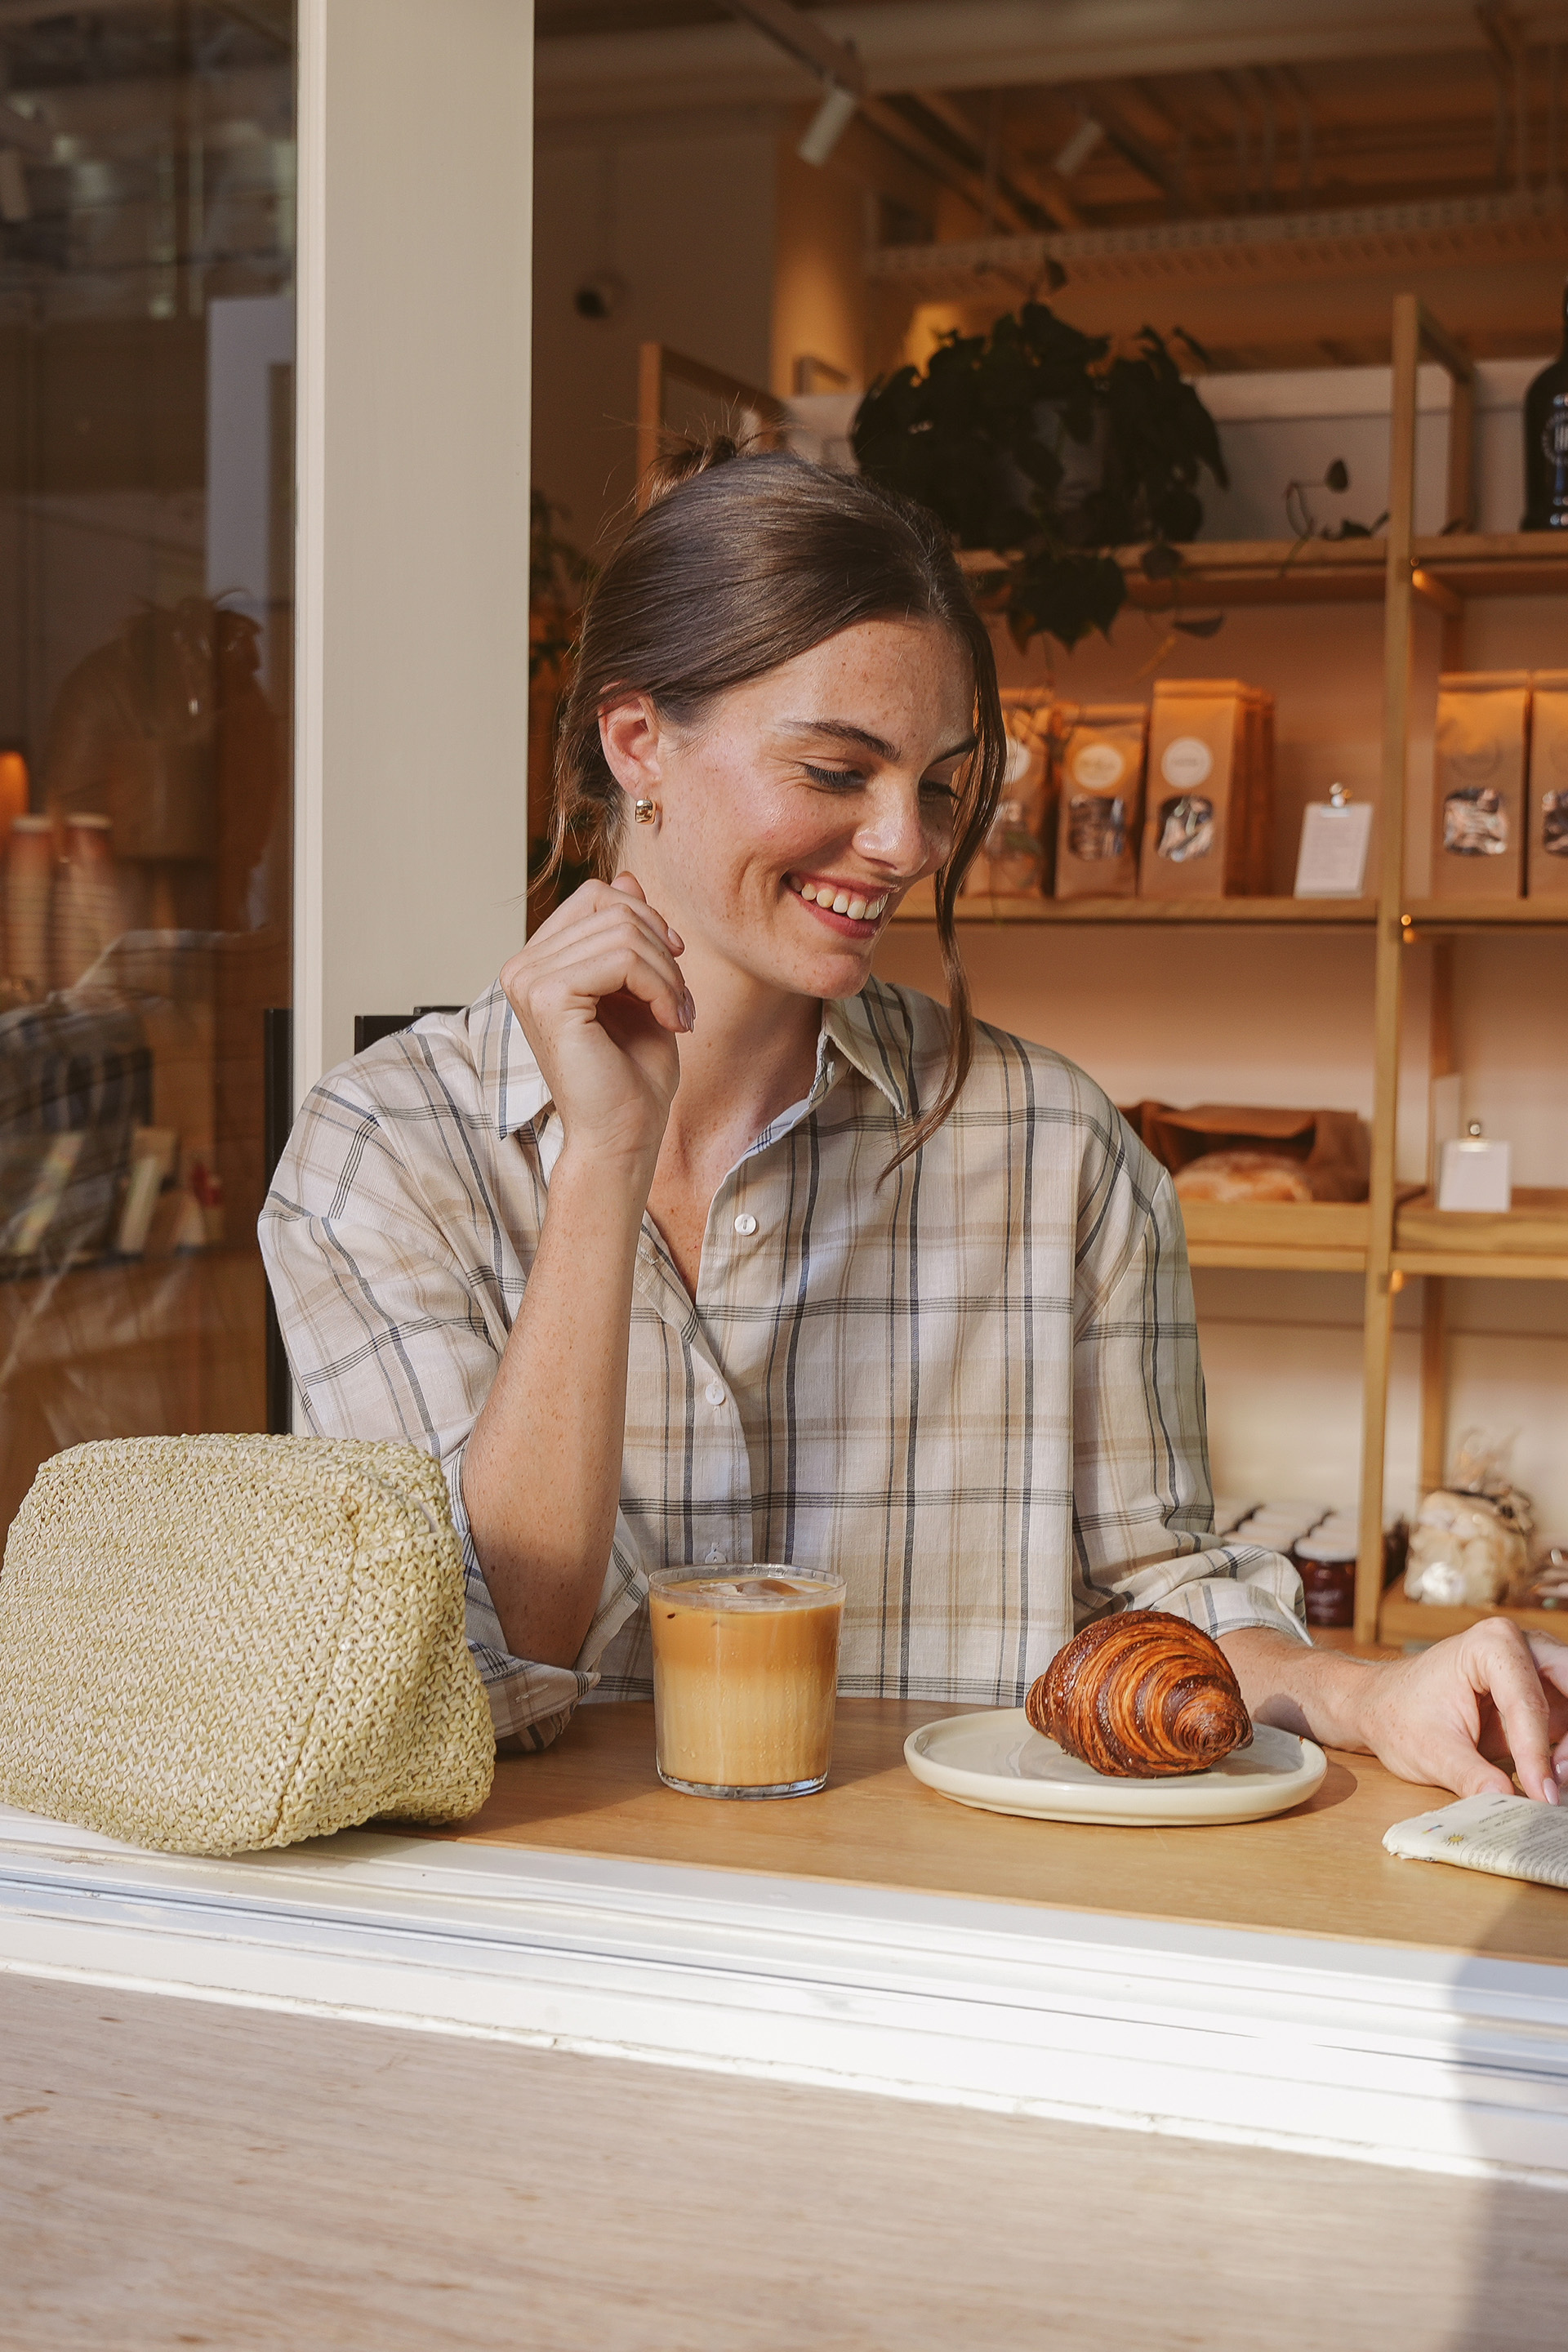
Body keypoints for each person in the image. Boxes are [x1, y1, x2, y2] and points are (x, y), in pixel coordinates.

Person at [261, 443, 1568, 1801]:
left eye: (940, 783)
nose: (908, 843)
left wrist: (1377, 1693)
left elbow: (1164, 1593)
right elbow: (483, 1656)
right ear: (637, 740)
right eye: (838, 771)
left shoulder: (1059, 1151)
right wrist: (603, 1166)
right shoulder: (381, 1153)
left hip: (949, 1950)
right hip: (530, 1945)